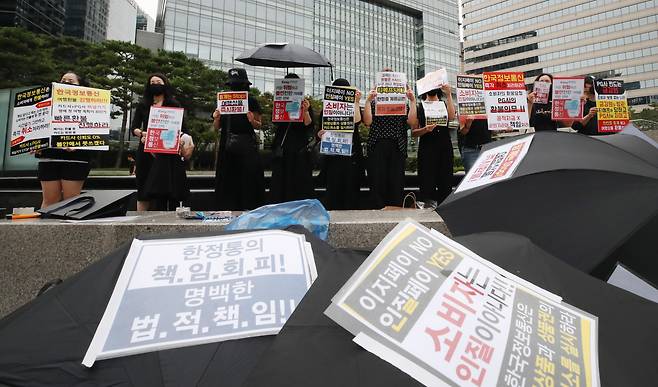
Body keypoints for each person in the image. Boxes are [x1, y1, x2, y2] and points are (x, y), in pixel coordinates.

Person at [131, 73, 193, 211]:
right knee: (143, 187)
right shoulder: (143, 105)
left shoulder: (174, 104)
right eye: (152, 82)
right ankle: (140, 220)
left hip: (167, 152)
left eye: (158, 82)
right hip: (146, 149)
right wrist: (142, 133)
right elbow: (133, 127)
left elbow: (183, 129)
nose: (155, 84)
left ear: (165, 84)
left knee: (166, 187)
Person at [36, 71, 93, 209]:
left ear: (81, 85)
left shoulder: (92, 105)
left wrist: (79, 145)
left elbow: (95, 131)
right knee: (49, 200)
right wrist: (34, 143)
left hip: (76, 157)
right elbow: (37, 125)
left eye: (71, 81)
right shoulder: (47, 103)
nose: (66, 83)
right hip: (50, 156)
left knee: (71, 200)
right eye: (63, 80)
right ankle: (45, 228)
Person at [363, 69, 416, 208]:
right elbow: (367, 122)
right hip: (377, 144)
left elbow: (412, 122)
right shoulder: (373, 102)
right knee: (377, 180)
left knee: (396, 181)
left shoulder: (402, 103)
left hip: (398, 145)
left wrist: (412, 100)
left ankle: (396, 208)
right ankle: (378, 207)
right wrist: (368, 101)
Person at [214, 68, 265, 210]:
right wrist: (216, 118)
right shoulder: (223, 100)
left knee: (248, 178)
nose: (234, 88)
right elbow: (216, 127)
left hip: (246, 145)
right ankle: (227, 207)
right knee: (228, 178)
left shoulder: (252, 100)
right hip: (227, 144)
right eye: (232, 85)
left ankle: (249, 206)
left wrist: (251, 120)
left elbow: (259, 125)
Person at [317, 78, 365, 210]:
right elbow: (318, 133)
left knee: (351, 188)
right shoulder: (326, 110)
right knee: (333, 187)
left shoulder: (353, 107)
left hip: (351, 155)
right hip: (333, 155)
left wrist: (356, 102)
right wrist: (320, 134)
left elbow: (357, 121)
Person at [269, 73, 315, 203]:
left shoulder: (305, 102)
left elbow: (309, 124)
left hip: (299, 147)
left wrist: (305, 111)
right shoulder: (279, 101)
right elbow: (276, 122)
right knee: (280, 178)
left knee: (299, 178)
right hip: (282, 146)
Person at [411, 83, 456, 206]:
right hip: (427, 147)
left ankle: (445, 208)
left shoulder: (444, 104)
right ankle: (427, 206)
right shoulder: (420, 106)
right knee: (426, 180)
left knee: (446, 180)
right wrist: (425, 129)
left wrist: (449, 95)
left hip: (445, 147)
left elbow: (452, 117)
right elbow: (414, 132)